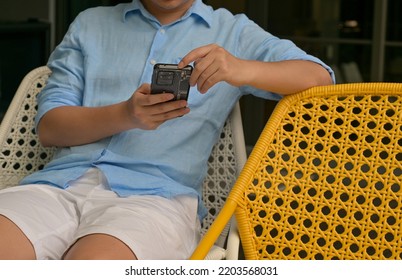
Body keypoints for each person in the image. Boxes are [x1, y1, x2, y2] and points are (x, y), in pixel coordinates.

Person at [0, 0, 334, 260]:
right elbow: (51, 128)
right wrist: (126, 114)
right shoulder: (90, 24)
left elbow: (319, 78)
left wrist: (240, 68)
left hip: (154, 200)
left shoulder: (232, 32)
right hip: (56, 188)